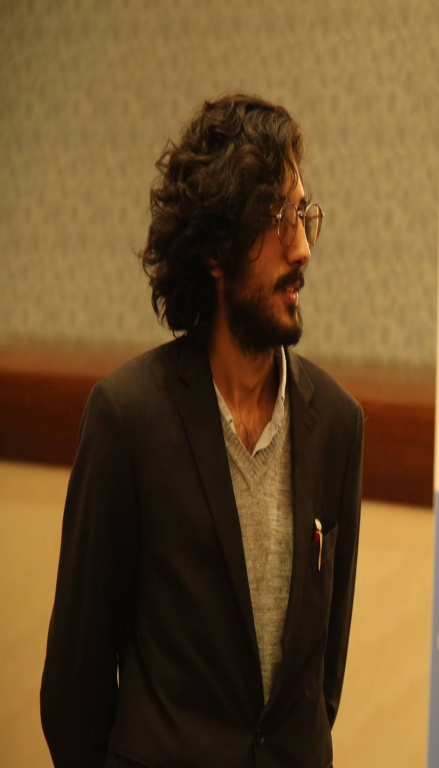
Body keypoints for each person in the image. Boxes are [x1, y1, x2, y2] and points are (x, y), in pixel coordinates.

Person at [40, 93, 364, 768]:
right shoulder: (128, 419)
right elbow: (74, 685)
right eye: (276, 218)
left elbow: (320, 687)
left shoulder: (337, 424)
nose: (302, 247)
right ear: (216, 251)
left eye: (303, 214)